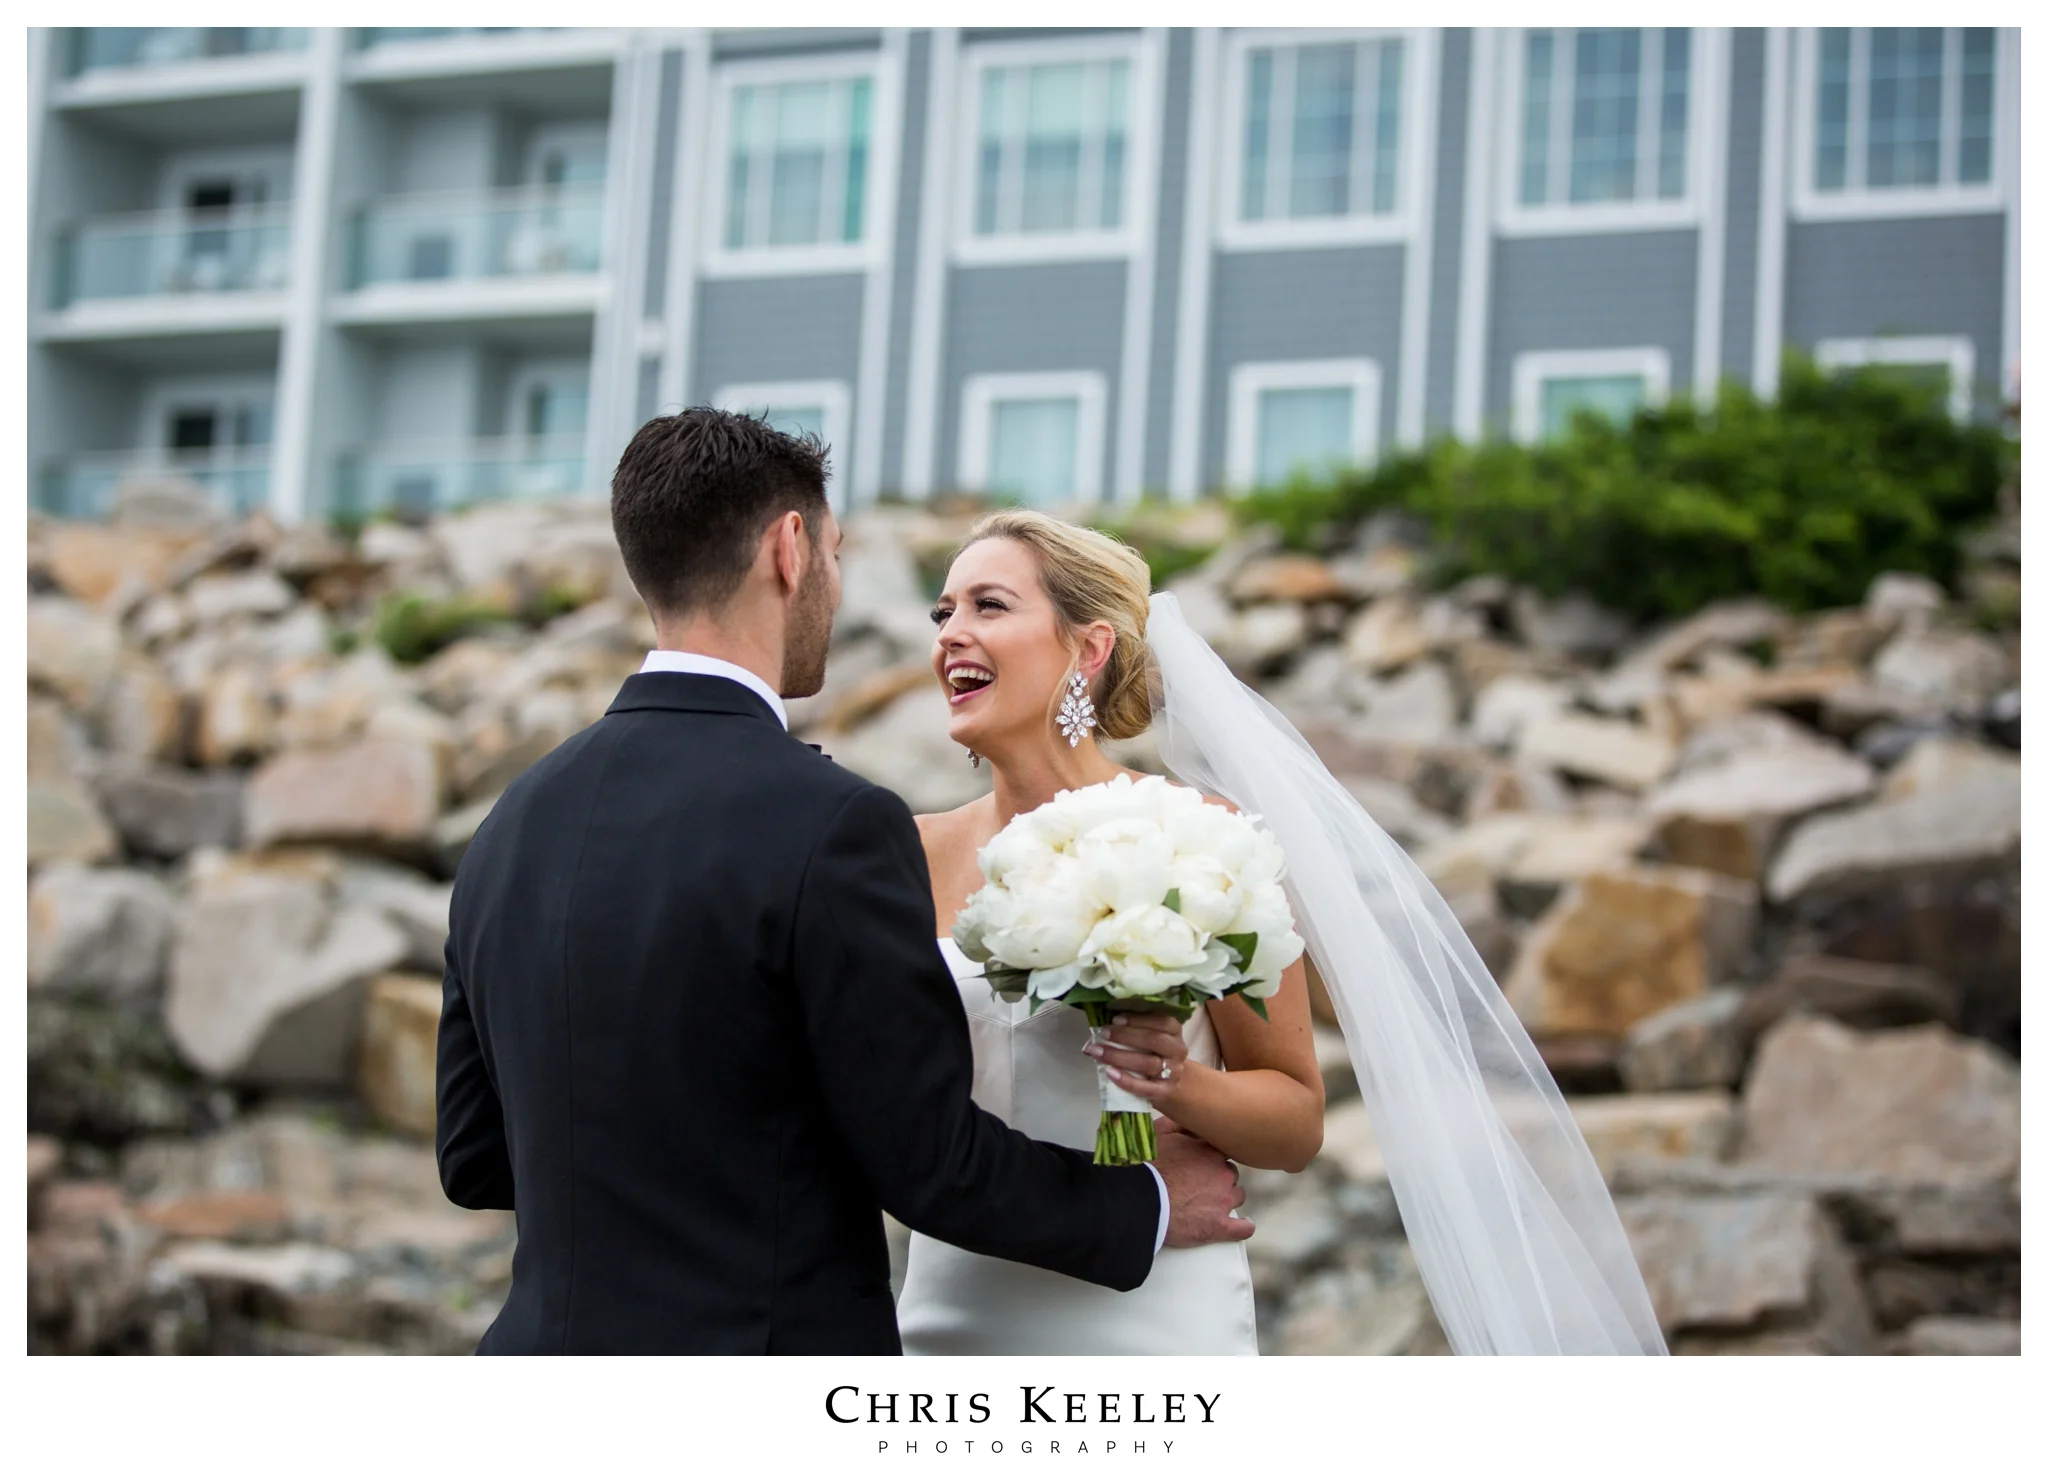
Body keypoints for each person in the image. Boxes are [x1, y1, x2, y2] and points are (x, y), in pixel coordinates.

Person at [433, 412, 1252, 1355]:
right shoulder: (834, 824)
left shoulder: (510, 826)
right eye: (834, 550)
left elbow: (475, 1157)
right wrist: (1143, 1204)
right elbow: (925, 1161)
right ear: (789, 549)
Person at [899, 510, 1668, 1357]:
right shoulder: (911, 855)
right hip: (962, 1294)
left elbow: (1296, 1121)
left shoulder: (1197, 837)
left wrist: (1178, 1082)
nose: (951, 636)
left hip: (1157, 1294)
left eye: (988, 606)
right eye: (943, 613)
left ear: (1088, 650)